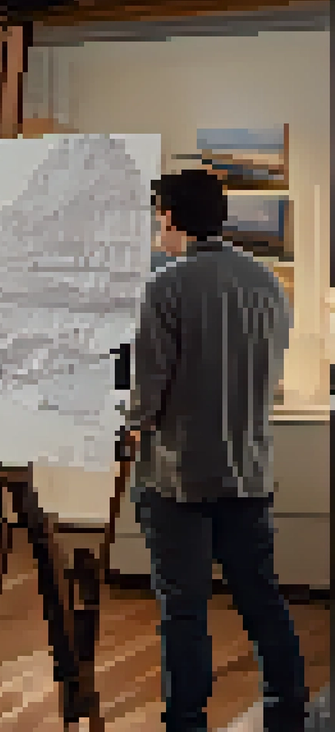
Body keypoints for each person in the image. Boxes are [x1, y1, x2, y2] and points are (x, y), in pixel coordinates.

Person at [127, 170, 306, 731]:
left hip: (178, 476)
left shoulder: (166, 285)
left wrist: (131, 424)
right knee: (261, 598)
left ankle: (186, 719)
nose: (157, 223)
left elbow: (149, 388)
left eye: (158, 212)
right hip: (248, 471)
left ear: (172, 216)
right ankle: (288, 705)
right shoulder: (268, 282)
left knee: (183, 610)